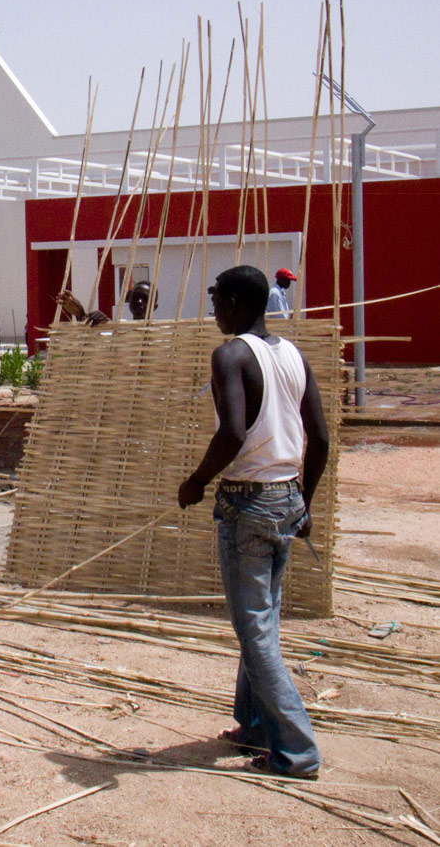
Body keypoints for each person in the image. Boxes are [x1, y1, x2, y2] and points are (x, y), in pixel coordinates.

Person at [178, 265, 329, 780]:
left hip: (248, 503)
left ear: (239, 302)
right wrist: (304, 503)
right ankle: (256, 726)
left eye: (217, 298)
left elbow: (233, 435)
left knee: (255, 630)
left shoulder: (231, 355)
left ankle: (298, 751)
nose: (214, 308)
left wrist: (196, 481)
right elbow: (321, 439)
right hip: (286, 499)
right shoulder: (293, 356)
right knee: (262, 619)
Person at [56, 280, 157, 325]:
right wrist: (80, 314)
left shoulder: (162, 335)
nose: (139, 301)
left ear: (155, 306)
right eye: (136, 297)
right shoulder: (121, 325)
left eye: (145, 298)